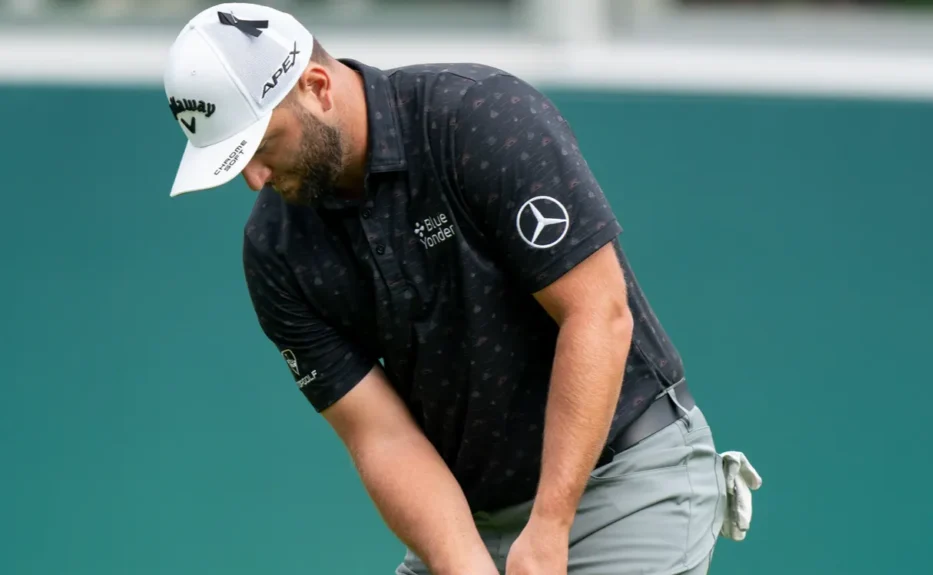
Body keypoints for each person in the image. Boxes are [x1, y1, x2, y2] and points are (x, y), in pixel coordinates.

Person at [163, 3, 759, 574]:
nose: (253, 179)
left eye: (261, 147)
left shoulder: (477, 119)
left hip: (625, 481)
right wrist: (464, 563)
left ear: (317, 88)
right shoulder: (276, 248)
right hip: (470, 518)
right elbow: (382, 435)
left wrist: (549, 528)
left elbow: (598, 314)